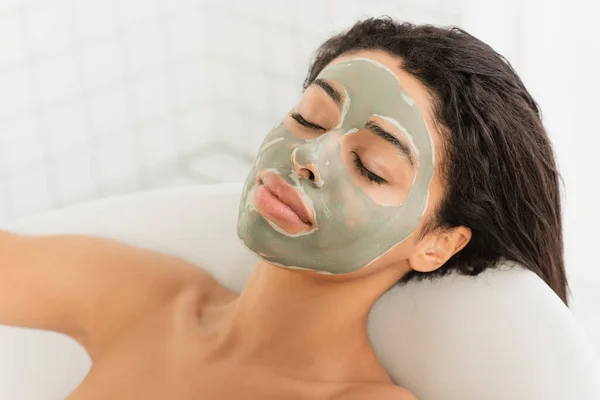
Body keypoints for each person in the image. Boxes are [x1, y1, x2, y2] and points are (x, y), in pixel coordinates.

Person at [0, 17, 567, 399]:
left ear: (437, 242)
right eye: (310, 118)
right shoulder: (148, 295)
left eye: (370, 166)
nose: (308, 156)